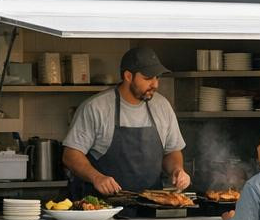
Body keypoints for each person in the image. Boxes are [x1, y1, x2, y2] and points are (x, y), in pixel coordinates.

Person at [62, 45, 190, 196]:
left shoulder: (162, 106)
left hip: (151, 205)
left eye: (157, 78)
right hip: (105, 208)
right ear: (128, 76)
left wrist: (177, 170)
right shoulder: (96, 107)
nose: (155, 84)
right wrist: (97, 177)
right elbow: (70, 155)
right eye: (148, 78)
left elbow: (172, 151)